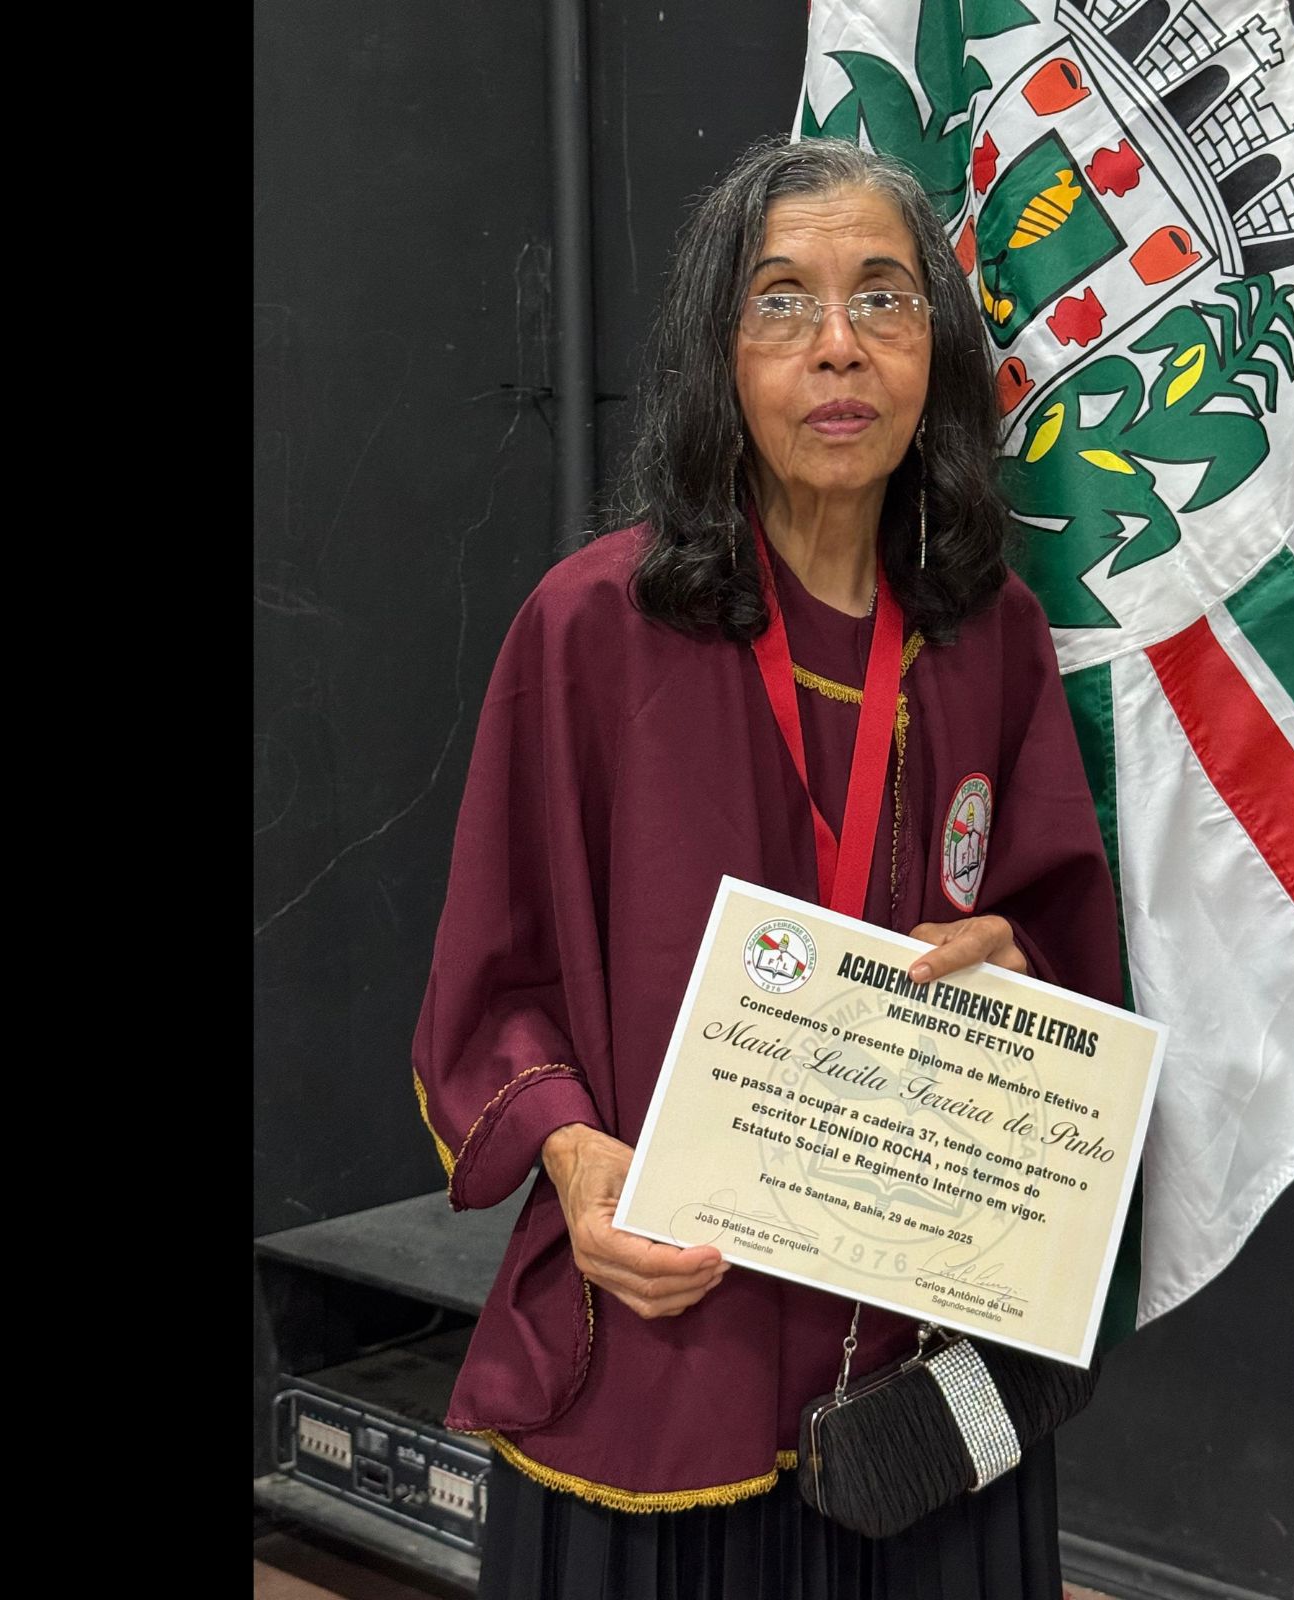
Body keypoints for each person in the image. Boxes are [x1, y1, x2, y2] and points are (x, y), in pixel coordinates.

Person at [410, 134, 1123, 1599]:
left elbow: (1067, 952)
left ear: (938, 347)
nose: (839, 346)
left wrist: (1022, 973)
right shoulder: (588, 631)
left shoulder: (993, 639)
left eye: (883, 296)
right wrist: (572, 1153)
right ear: (716, 355)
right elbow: (500, 978)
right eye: (783, 302)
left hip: (918, 1364)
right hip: (669, 1342)